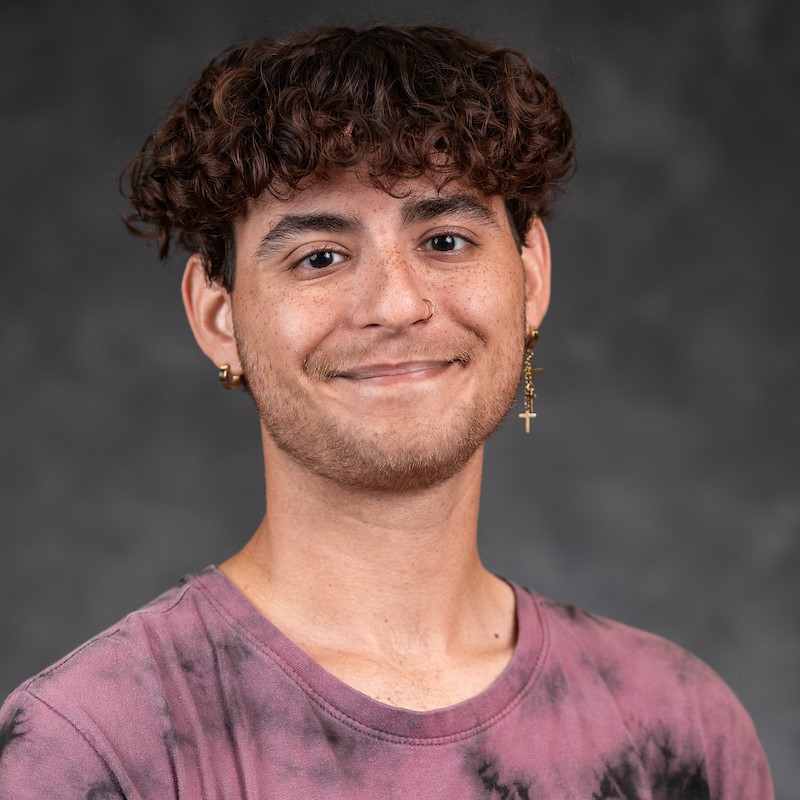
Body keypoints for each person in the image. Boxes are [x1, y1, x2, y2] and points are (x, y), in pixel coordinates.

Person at [0, 25, 772, 799]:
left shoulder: (680, 728)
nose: (397, 304)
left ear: (530, 277)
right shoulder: (87, 749)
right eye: (320, 257)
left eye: (444, 239)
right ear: (217, 318)